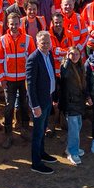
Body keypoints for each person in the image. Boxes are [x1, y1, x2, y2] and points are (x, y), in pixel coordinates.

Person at [0, 10, 34, 148]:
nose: (14, 26)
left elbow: (32, 60)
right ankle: (8, 134)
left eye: (16, 24)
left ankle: (24, 128)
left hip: (24, 79)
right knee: (9, 106)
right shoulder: (2, 40)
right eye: (11, 24)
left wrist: (30, 78)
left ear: (20, 24)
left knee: (24, 104)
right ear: (8, 24)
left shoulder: (28, 39)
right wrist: (2, 78)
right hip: (9, 80)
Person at [25, 31, 57, 174]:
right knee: (38, 133)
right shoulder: (33, 59)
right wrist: (35, 106)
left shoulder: (49, 55)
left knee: (43, 129)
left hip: (48, 98)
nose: (45, 45)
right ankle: (36, 163)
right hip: (39, 103)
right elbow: (30, 85)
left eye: (48, 42)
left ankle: (42, 153)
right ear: (37, 43)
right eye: (43, 42)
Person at [59, 45, 87, 165]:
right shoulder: (66, 67)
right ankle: (72, 152)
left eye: (77, 54)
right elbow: (64, 75)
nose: (75, 56)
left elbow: (83, 84)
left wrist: (86, 97)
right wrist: (66, 61)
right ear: (68, 55)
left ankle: (71, 147)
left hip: (78, 102)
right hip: (70, 102)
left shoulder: (80, 66)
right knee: (74, 129)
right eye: (72, 54)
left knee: (78, 126)